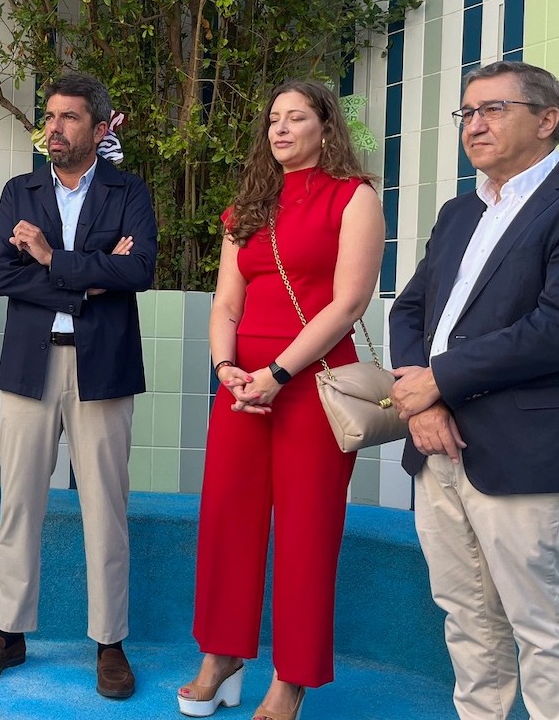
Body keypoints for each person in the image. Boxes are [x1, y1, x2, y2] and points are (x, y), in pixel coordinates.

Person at [389, 60, 559, 720]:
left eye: (491, 109)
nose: (474, 125)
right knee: (466, 620)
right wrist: (425, 403)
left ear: (546, 118)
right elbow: (408, 312)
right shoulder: (458, 212)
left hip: (525, 450)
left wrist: (437, 380)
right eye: (466, 113)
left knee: (541, 629)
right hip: (435, 445)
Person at [181, 80, 382, 720]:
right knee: (226, 521)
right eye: (273, 119)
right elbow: (226, 304)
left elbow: (348, 305)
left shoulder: (355, 198)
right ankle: (222, 653)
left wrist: (277, 372)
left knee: (306, 531)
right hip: (243, 386)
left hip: (313, 384)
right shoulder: (246, 209)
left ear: (327, 128)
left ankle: (291, 677)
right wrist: (228, 368)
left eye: (297, 117)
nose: (281, 128)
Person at [0, 72, 157, 700]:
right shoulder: (20, 192)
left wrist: (50, 258)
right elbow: (1, 276)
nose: (54, 127)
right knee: (19, 501)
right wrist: (92, 279)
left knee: (106, 506)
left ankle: (109, 642)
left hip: (104, 366)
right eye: (50, 116)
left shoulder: (130, 192)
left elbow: (141, 270)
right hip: (30, 364)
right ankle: (10, 633)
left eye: (69, 118)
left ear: (100, 131)